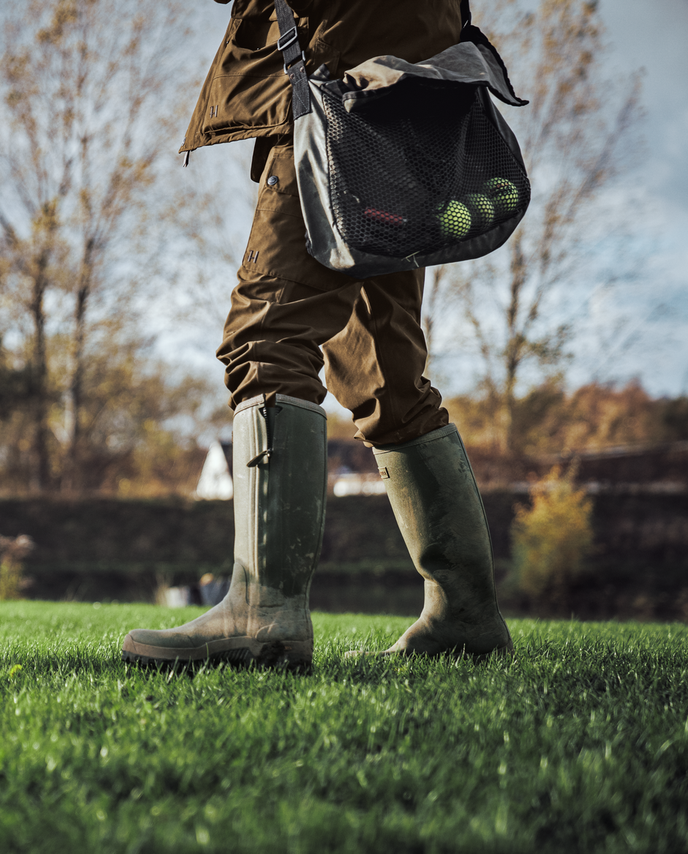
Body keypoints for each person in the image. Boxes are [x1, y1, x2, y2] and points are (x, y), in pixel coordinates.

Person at [121, 0, 512, 669]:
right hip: (404, 65)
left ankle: (262, 611)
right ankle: (464, 613)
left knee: (267, 331)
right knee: (380, 364)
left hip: (345, 66)